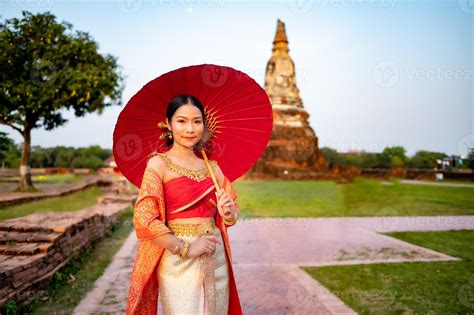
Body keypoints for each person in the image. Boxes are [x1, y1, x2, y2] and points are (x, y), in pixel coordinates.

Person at [126, 95, 242, 315]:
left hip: (214, 254)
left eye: (197, 122)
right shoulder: (158, 164)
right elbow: (145, 218)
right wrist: (187, 248)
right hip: (177, 257)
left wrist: (228, 213)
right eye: (181, 121)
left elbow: (233, 212)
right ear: (168, 124)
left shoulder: (212, 167)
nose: (190, 129)